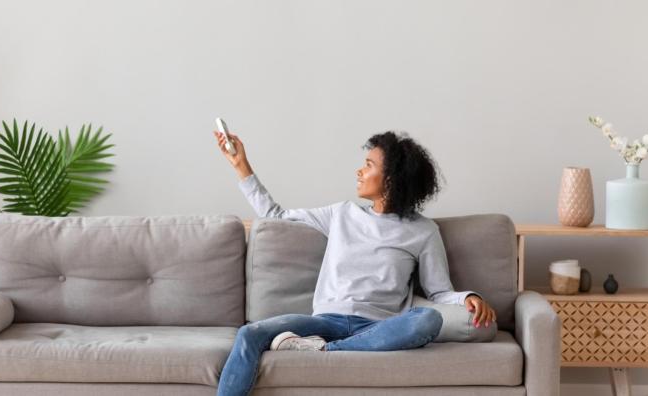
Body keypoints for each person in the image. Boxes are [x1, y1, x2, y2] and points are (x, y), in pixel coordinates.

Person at [212, 129, 497, 396]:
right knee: (250, 333)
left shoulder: (423, 231)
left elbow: (439, 292)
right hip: (323, 321)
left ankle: (324, 350)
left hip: (376, 327)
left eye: (369, 164)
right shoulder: (342, 214)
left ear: (391, 178)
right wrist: (241, 166)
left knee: (429, 319)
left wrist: (468, 297)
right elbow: (276, 215)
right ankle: (325, 346)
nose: (359, 171)